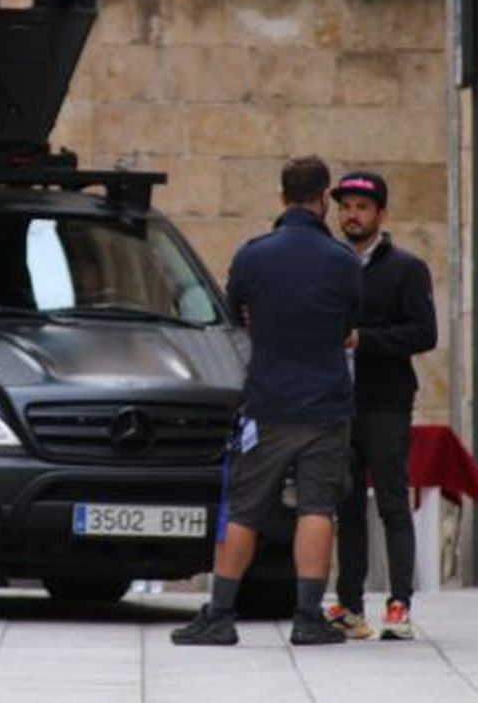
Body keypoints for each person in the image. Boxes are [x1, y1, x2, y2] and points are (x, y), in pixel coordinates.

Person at [171, 155, 361, 647]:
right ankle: (306, 617)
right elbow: (347, 325)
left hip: (268, 401)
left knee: (244, 510)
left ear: (281, 198)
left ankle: (219, 615)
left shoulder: (253, 255)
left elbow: (236, 315)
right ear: (323, 200)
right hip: (325, 403)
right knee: (317, 507)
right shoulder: (343, 261)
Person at [325, 171, 437, 641]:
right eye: (346, 206)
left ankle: (399, 605)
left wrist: (364, 340)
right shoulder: (328, 264)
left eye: (362, 208)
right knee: (346, 506)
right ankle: (350, 606)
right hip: (336, 402)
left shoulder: (406, 269)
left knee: (392, 502)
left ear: (381, 215)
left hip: (386, 402)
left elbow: (423, 333)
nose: (352, 215)